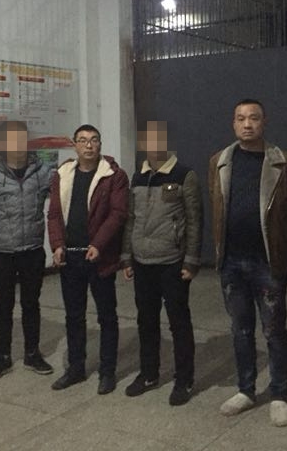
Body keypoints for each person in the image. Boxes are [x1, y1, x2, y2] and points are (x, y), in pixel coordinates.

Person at [209, 99, 287, 427]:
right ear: (233, 123)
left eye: (253, 118)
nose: (247, 124)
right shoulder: (219, 161)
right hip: (231, 262)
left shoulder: (284, 162)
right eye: (240, 118)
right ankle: (246, 390)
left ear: (264, 122)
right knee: (240, 329)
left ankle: (279, 394)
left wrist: (281, 248)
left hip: (266, 264)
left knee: (274, 330)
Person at [120, 120, 202, 406]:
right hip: (142, 262)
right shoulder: (138, 176)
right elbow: (131, 219)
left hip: (172, 263)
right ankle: (149, 374)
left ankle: (184, 379)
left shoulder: (184, 175)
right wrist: (126, 256)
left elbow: (195, 221)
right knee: (146, 321)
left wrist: (191, 261)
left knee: (178, 322)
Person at [48, 124, 129, 395]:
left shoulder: (113, 175)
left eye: (94, 140)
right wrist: (57, 245)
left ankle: (107, 372)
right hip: (70, 257)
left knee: (107, 316)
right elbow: (54, 214)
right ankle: (76, 368)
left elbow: (118, 214)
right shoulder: (62, 174)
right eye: (82, 140)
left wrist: (98, 244)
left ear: (100, 144)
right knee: (74, 316)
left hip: (100, 257)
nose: (89, 145)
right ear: (75, 145)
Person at [0, 120, 54, 381]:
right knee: (4, 305)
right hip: (2, 252)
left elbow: (64, 191)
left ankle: (32, 353)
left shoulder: (42, 171)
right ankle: (2, 357)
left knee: (31, 303)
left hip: (32, 249)